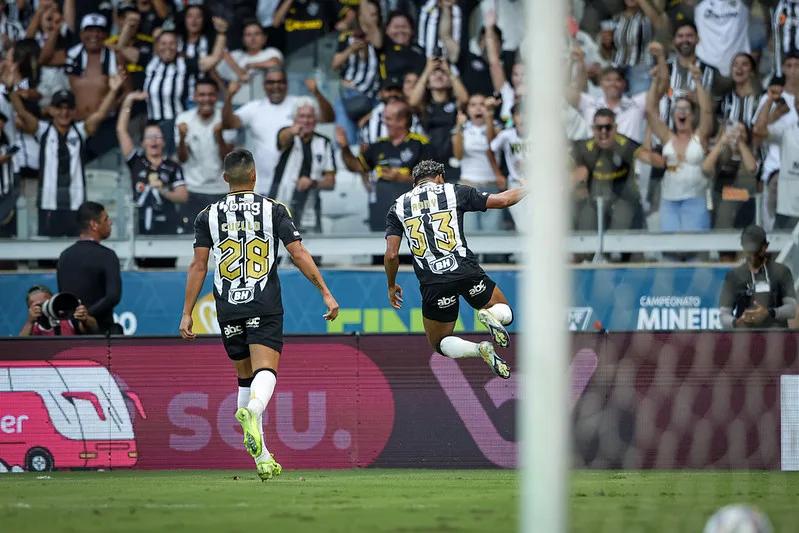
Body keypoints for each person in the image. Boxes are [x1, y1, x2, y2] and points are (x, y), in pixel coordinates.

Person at [179, 148, 339, 481]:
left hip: (226, 305)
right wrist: (324, 291)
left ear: (225, 179)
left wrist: (187, 313)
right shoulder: (273, 209)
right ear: (254, 175)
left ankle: (263, 458)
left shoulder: (207, 215)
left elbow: (198, 265)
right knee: (265, 372)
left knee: (244, 377)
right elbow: (298, 253)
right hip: (262, 301)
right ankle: (252, 412)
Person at [384, 160, 526, 379]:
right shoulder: (453, 191)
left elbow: (392, 254)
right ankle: (490, 315)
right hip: (466, 271)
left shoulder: (398, 206)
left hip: (433, 283)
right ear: (440, 177)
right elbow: (504, 200)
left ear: (414, 183)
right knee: (504, 311)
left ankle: (479, 349)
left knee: (440, 342)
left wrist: (392, 285)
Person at [56, 201, 122, 335]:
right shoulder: (107, 256)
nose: (110, 223)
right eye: (106, 219)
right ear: (94, 225)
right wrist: (86, 315)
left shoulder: (64, 256)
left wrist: (76, 317)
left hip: (70, 336)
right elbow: (113, 296)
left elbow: (63, 297)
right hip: (101, 334)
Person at [719, 225, 797, 329]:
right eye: (749, 251)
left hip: (776, 333)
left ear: (766, 246)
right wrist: (736, 322)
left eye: (757, 251)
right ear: (742, 246)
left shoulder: (781, 271)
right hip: (745, 334)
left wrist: (770, 313)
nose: (753, 256)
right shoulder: (733, 275)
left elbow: (791, 309)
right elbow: (723, 314)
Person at [19, 285, 99, 336]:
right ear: (30, 309)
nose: (44, 307)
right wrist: (29, 322)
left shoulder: (66, 318)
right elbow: (18, 347)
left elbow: (93, 330)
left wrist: (85, 319)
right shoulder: (32, 329)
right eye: (38, 305)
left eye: (46, 303)